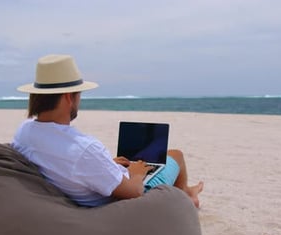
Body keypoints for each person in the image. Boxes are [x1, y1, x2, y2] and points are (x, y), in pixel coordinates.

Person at [12, 54, 203, 208]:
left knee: (132, 161)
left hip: (88, 184)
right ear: (69, 97)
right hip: (117, 200)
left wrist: (105, 164)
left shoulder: (25, 131)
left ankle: (187, 191)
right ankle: (187, 195)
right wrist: (136, 173)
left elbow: (66, 163)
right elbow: (133, 192)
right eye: (79, 95)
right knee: (175, 155)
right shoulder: (84, 148)